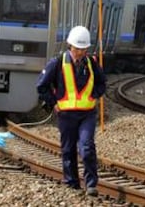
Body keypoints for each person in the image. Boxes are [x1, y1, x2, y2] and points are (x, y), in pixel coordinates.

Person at [36, 26, 106, 196]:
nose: (80, 53)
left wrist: (94, 96)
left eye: (83, 49)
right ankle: (71, 182)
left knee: (87, 146)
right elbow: (42, 86)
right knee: (68, 150)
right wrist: (53, 103)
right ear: (70, 46)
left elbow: (102, 84)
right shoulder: (57, 63)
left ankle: (91, 184)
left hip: (87, 114)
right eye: (77, 49)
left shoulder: (92, 64)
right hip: (66, 115)